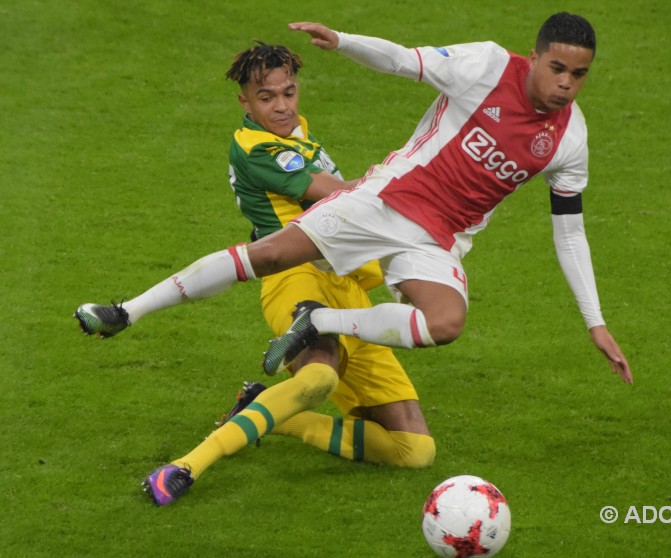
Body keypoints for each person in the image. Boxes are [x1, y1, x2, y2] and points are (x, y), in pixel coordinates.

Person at [78, 13, 631, 403]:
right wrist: (341, 40)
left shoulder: (570, 140)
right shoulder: (486, 66)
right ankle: (127, 310)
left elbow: (570, 233)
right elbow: (404, 61)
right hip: (385, 200)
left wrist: (595, 321)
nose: (565, 83)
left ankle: (315, 321)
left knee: (445, 323)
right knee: (270, 255)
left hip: (439, 241)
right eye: (556, 68)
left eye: (578, 74)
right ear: (534, 57)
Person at [91, 41, 435, 506]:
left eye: (288, 93)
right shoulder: (256, 147)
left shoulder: (298, 132)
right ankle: (187, 465)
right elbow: (334, 195)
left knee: (414, 450)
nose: (281, 106)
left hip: (347, 290)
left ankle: (269, 412)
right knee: (318, 380)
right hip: (294, 279)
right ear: (245, 103)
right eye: (267, 98)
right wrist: (409, 176)